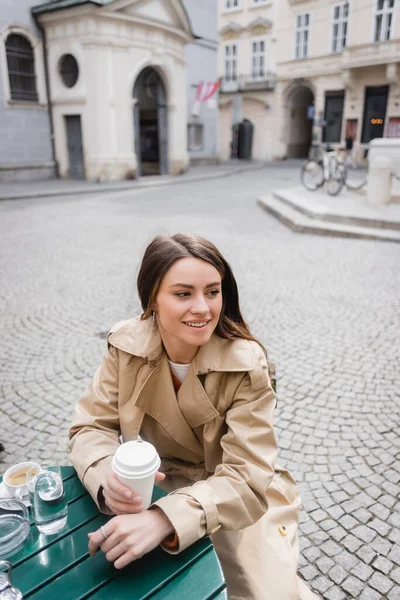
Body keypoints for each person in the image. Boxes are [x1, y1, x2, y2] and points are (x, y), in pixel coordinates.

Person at [69, 234, 319, 600]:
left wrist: (163, 519)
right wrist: (110, 479)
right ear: (153, 296)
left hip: (234, 497)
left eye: (213, 292)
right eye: (183, 293)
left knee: (268, 593)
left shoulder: (247, 365)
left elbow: (246, 476)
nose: (202, 308)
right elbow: (91, 425)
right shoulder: (125, 346)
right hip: (153, 485)